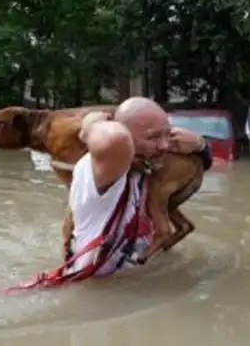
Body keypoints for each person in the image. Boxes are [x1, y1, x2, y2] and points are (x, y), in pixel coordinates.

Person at [65, 96, 210, 278]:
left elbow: (190, 169)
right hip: (101, 289)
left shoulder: (142, 166)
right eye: (154, 137)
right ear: (126, 137)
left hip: (133, 279)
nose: (165, 145)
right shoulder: (103, 168)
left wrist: (201, 146)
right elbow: (114, 139)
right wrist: (90, 127)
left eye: (168, 134)